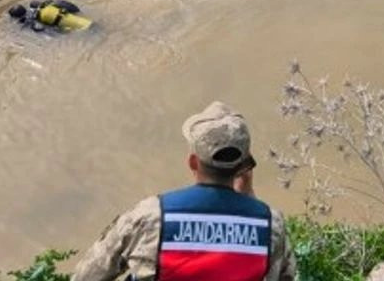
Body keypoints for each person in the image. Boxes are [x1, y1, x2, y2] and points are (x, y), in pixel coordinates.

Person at [71, 102, 299, 281]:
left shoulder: (150, 216)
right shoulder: (270, 226)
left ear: (192, 162)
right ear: (244, 167)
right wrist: (248, 199)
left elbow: (86, 277)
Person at [8, 0, 92, 32]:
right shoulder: (45, 6)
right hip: (87, 22)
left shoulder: (29, 21)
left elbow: (43, 31)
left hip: (84, 31)